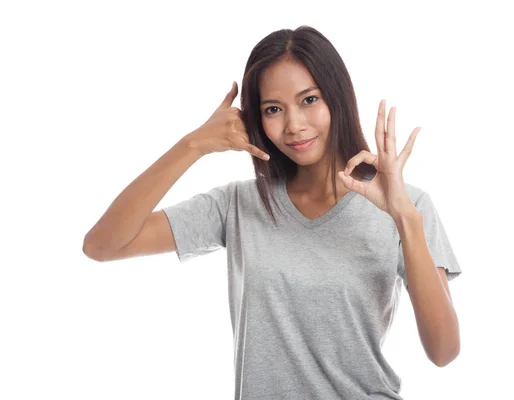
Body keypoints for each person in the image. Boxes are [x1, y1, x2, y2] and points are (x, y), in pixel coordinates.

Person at [83, 25, 462, 400]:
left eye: (309, 100)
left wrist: (405, 219)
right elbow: (102, 245)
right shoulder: (237, 205)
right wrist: (194, 144)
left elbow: (444, 351)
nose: (294, 125)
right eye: (274, 109)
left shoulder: (409, 207)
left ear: (338, 98)